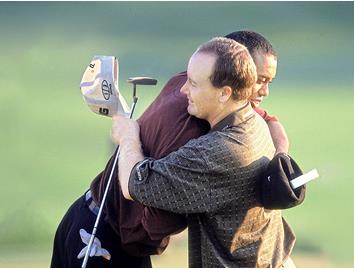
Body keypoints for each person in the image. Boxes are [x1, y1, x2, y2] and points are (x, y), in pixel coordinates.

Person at [50, 30, 292, 267]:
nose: (260, 90)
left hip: (100, 225)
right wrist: (128, 136)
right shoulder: (202, 127)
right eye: (258, 79)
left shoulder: (214, 98)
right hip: (101, 237)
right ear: (227, 78)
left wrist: (279, 160)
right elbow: (140, 193)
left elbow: (268, 121)